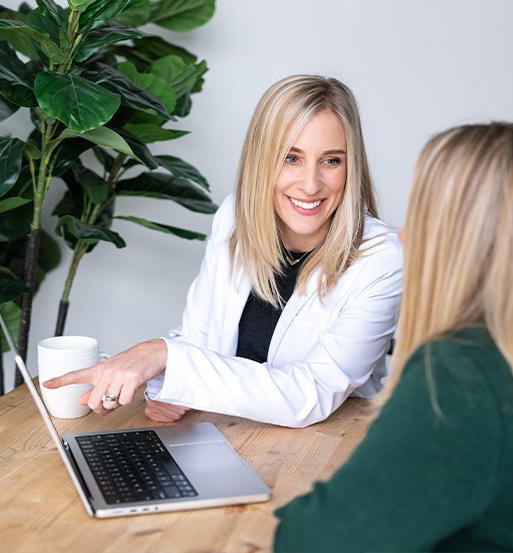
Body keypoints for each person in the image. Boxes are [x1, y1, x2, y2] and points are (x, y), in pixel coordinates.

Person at [44, 75, 403, 428]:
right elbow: (197, 339)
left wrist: (165, 357)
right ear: (262, 160)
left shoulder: (382, 259)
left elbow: (313, 393)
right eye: (291, 158)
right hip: (229, 431)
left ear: (351, 166)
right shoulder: (235, 217)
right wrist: (165, 384)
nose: (310, 185)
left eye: (331, 161)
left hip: (329, 448)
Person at [274, 122, 513, 551]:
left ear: (466, 239)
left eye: (423, 217)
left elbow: (313, 539)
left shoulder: (464, 375)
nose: (404, 235)